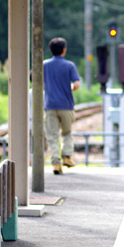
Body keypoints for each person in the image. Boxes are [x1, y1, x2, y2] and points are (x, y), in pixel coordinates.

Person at [43, 37, 80, 174]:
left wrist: (50, 89)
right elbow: (76, 85)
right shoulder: (70, 66)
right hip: (66, 105)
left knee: (52, 136)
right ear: (64, 50)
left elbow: (39, 84)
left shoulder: (44, 65)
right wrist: (68, 88)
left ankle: (56, 163)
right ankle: (67, 157)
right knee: (67, 133)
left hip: (50, 106)